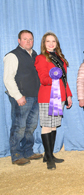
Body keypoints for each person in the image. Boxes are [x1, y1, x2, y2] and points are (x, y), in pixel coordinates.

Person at [3, 30, 43, 166]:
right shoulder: (12, 56)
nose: (28, 42)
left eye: (31, 39)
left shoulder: (35, 55)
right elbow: (8, 79)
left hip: (35, 96)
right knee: (19, 126)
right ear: (19, 40)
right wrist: (18, 96)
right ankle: (16, 154)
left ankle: (28, 151)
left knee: (31, 126)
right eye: (25, 39)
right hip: (22, 96)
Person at [34, 32, 73, 170]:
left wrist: (68, 95)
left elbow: (65, 80)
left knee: (54, 125)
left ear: (57, 43)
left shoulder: (60, 59)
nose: (51, 44)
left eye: (53, 41)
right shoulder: (41, 58)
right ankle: (49, 157)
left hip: (60, 96)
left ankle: (49, 154)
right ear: (44, 43)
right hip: (47, 96)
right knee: (46, 125)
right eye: (48, 41)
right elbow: (43, 79)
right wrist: (54, 78)